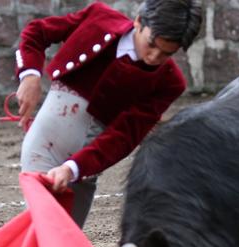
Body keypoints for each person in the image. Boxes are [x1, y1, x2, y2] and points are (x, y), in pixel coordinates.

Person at [15, 0, 203, 227]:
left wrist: (73, 168)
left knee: (65, 238)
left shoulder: (170, 82)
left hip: (84, 167)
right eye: (151, 44)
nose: (154, 57)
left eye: (166, 54)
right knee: (41, 231)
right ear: (138, 22)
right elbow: (36, 32)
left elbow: (124, 137)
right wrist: (30, 74)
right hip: (43, 146)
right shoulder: (100, 18)